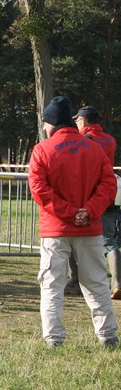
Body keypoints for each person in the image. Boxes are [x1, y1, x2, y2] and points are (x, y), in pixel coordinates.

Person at [29, 96, 118, 348]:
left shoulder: (42, 150)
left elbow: (39, 189)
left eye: (45, 122)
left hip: (55, 229)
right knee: (97, 283)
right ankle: (107, 336)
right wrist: (88, 212)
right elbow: (108, 185)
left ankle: (54, 338)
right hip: (90, 228)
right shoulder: (95, 148)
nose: (44, 127)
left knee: (52, 284)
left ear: (52, 123)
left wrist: (69, 213)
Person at [73, 106, 121, 299]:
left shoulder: (82, 140)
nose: (76, 124)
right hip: (108, 192)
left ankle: (76, 281)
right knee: (109, 240)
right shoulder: (110, 140)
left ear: (83, 121)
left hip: (88, 194)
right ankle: (117, 282)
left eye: (77, 121)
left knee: (74, 238)